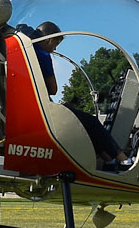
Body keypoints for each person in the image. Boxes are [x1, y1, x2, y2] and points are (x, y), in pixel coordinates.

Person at [23, 21, 131, 172]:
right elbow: (53, 89)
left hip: (31, 107)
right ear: (49, 39)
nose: (54, 49)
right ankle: (124, 161)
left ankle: (110, 161)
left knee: (84, 125)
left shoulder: (27, 50)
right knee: (91, 122)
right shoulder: (42, 54)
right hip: (42, 111)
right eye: (56, 44)